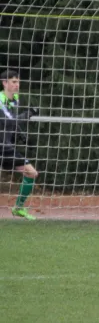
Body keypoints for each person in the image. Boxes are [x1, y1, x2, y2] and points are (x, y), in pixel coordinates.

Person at [0, 69, 39, 220]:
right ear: (5, 83)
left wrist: (22, 136)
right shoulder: (0, 99)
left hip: (6, 146)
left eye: (18, 82)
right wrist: (29, 113)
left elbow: (12, 121)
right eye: (13, 82)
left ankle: (18, 208)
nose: (17, 85)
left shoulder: (15, 98)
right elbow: (10, 120)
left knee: (31, 173)